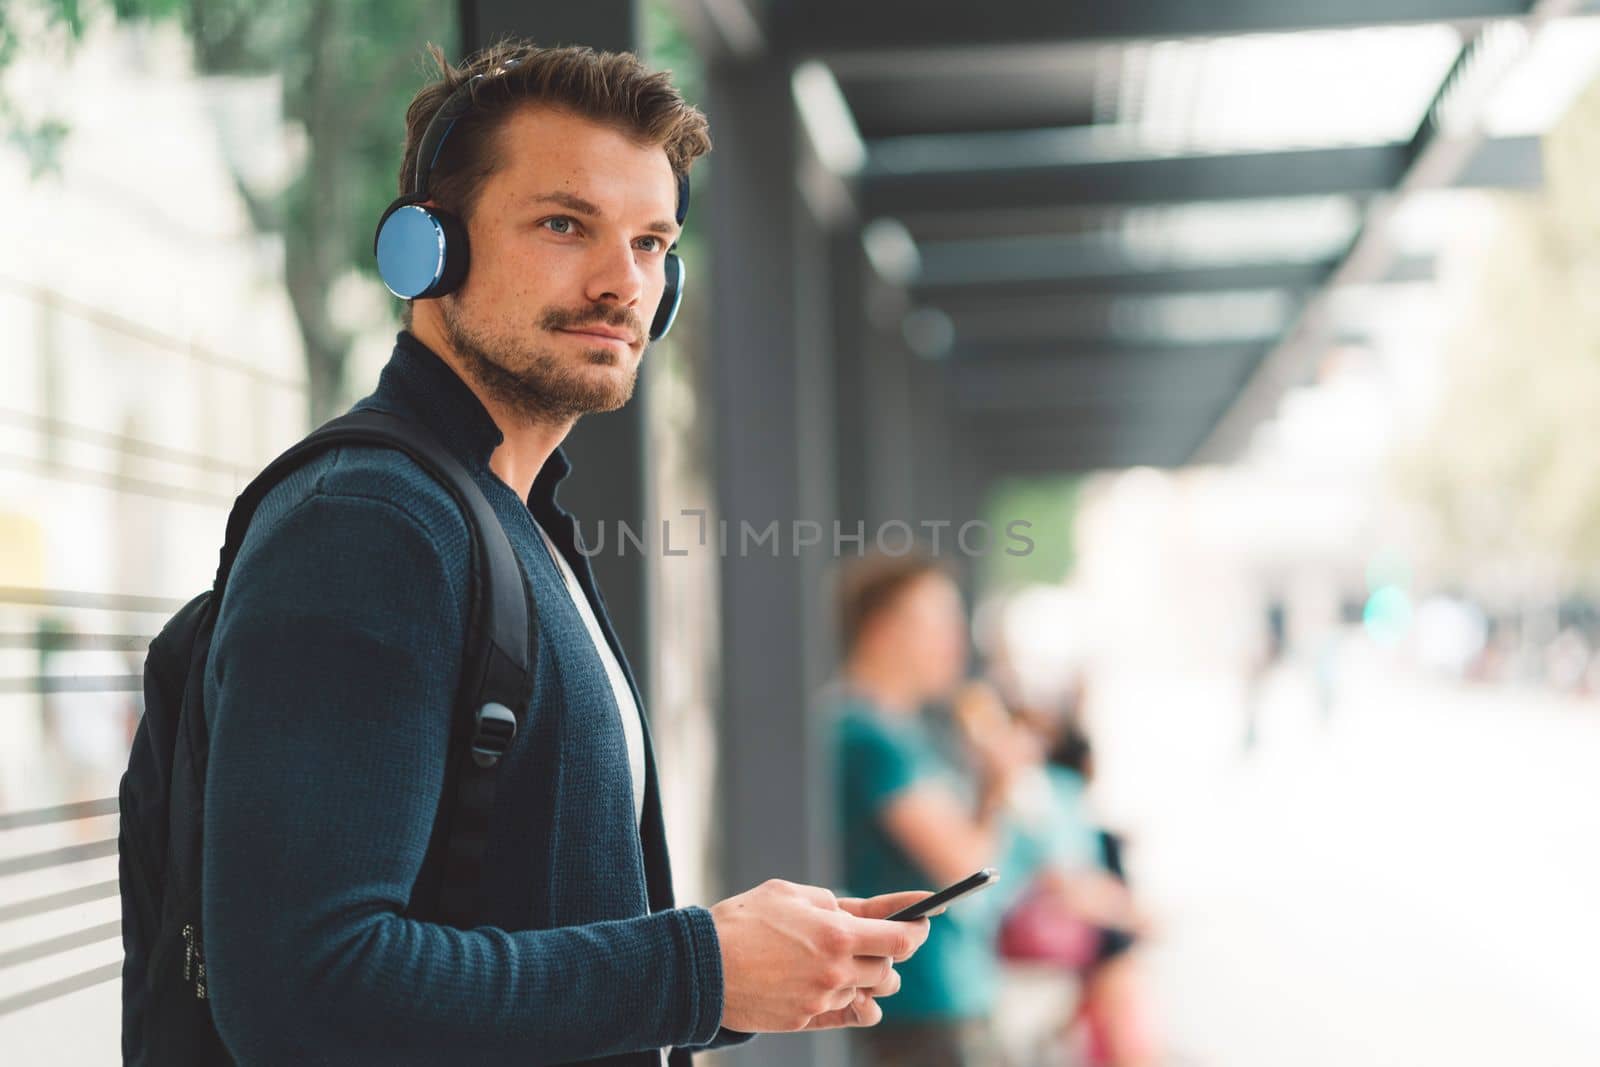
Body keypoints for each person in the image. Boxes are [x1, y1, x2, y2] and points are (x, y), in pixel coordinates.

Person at [199, 41, 931, 1066]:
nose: (620, 284)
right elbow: (302, 989)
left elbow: (524, 926)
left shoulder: (512, 522)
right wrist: (695, 968)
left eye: (648, 244)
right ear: (427, 251)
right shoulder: (373, 523)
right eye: (563, 224)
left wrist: (743, 966)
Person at [828, 552, 1051, 1067]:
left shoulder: (903, 729)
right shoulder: (870, 736)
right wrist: (997, 787)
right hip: (923, 1000)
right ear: (882, 629)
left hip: (940, 993)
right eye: (937, 622)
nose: (955, 642)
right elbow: (963, 867)